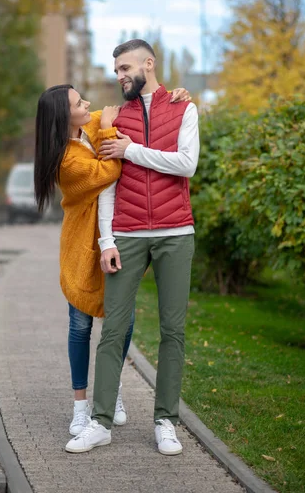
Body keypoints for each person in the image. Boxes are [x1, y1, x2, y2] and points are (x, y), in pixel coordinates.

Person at [65, 39, 199, 456]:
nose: (120, 76)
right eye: (117, 70)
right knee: (114, 328)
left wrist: (132, 150)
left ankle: (165, 421)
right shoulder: (114, 116)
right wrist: (106, 240)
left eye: (125, 68)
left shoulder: (183, 108)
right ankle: (100, 422)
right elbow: (108, 183)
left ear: (149, 63)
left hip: (176, 232)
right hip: (126, 232)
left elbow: (186, 164)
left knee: (172, 331)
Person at [34, 81, 191, 437]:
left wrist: (174, 98)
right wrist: (108, 130)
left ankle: (112, 390)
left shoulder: (87, 124)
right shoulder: (64, 160)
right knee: (81, 324)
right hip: (82, 245)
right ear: (64, 114)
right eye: (78, 102)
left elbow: (132, 111)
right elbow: (112, 169)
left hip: (118, 235)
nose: (87, 104)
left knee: (122, 317)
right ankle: (80, 406)